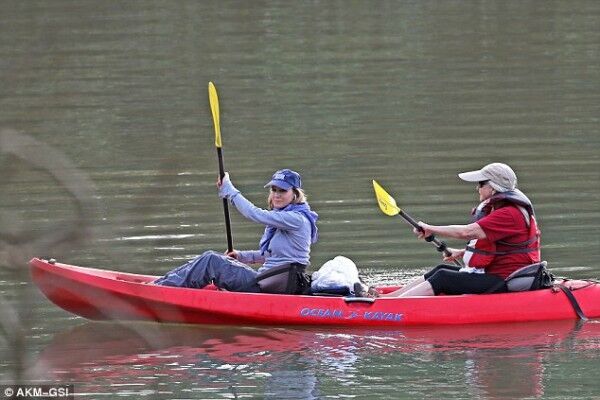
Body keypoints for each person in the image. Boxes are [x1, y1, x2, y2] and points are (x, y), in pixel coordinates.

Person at [383, 162, 540, 297]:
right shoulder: (502, 209)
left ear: (493, 188)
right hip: (496, 274)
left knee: (443, 277)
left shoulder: (509, 214)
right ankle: (387, 298)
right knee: (441, 269)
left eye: (480, 184)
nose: (477, 188)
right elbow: (505, 248)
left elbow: (466, 232)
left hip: (504, 279)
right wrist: (462, 253)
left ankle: (389, 307)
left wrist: (430, 228)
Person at [153, 169, 318, 294]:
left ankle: (161, 291)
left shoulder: (296, 219)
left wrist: (230, 190)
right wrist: (241, 256)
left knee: (211, 260)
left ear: (295, 194)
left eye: (282, 190)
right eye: (274, 189)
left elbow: (255, 214)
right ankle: (163, 283)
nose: (276, 194)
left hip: (266, 287)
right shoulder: (287, 218)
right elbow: (275, 255)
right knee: (210, 258)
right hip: (269, 282)